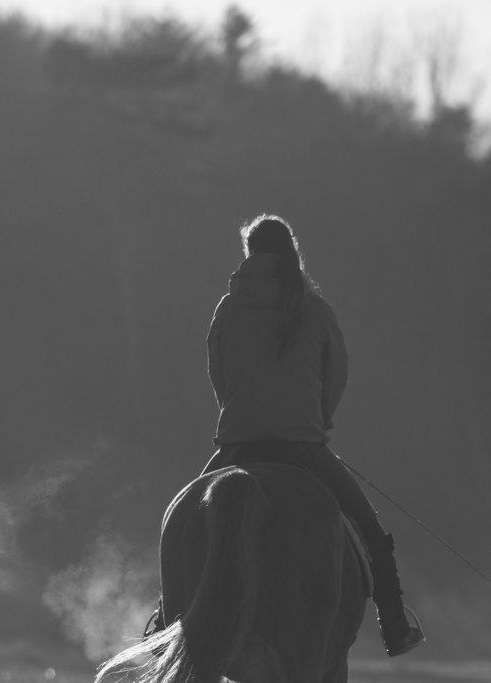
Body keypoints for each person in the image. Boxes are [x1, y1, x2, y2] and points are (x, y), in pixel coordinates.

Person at [146, 213, 424, 657]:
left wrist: (241, 417)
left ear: (250, 253)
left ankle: (164, 623)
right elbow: (336, 376)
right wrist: (317, 421)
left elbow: (219, 375)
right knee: (371, 533)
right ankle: (394, 624)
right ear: (290, 250)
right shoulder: (315, 309)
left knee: (177, 526)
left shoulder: (228, 307)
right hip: (303, 447)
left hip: (237, 444)